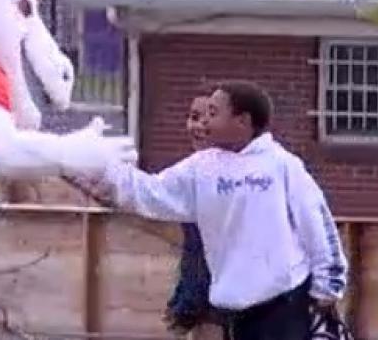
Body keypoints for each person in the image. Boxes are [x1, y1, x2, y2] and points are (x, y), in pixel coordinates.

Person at [74, 80, 348, 340]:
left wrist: (328, 286)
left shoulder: (282, 166)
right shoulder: (201, 167)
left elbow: (316, 223)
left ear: (242, 121)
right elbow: (150, 192)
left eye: (214, 113)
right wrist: (94, 164)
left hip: (285, 302)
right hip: (236, 311)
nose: (204, 122)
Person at [165, 94, 225, 339]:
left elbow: (208, 258)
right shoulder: (195, 174)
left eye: (210, 117)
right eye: (194, 117)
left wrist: (186, 308)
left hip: (222, 311)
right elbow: (193, 252)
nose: (199, 125)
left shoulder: (224, 179)